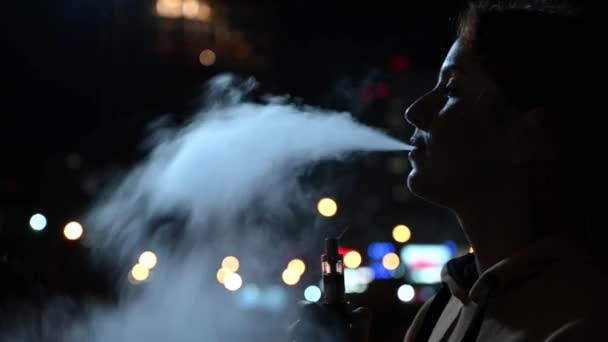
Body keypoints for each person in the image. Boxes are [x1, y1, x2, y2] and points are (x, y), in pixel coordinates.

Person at [289, 1, 608, 341]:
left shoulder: (584, 322)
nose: (415, 111)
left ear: (527, 136)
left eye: (452, 88)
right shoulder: (446, 305)